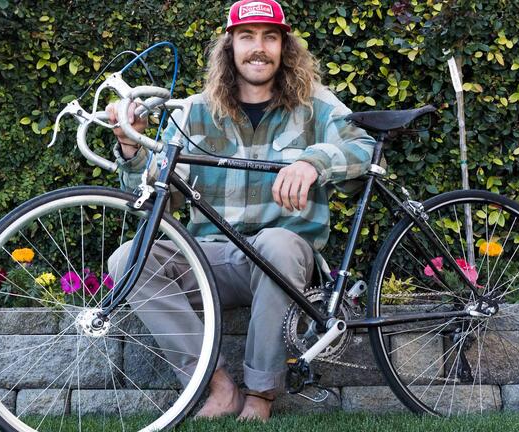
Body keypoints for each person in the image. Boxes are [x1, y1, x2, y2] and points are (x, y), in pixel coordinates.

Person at [106, 0, 375, 422]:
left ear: (285, 47)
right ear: (229, 47)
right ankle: (216, 385)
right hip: (211, 256)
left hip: (283, 260)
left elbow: (365, 149)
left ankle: (261, 395)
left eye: (270, 37)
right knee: (128, 259)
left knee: (277, 243)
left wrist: (312, 162)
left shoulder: (316, 104)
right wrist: (130, 146)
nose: (259, 48)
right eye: (247, 37)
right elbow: (155, 199)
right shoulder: (194, 111)